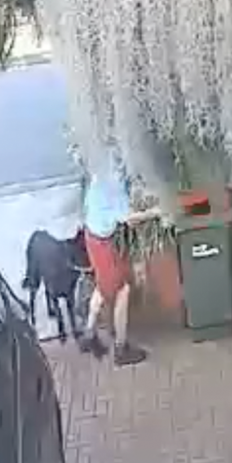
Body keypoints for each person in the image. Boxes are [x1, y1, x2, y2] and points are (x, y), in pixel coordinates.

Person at [81, 155, 159, 366]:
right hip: (102, 244)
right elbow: (129, 219)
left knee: (102, 282)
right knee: (122, 290)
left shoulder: (104, 165)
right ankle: (121, 349)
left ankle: (88, 334)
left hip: (93, 235)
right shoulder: (115, 184)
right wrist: (157, 211)